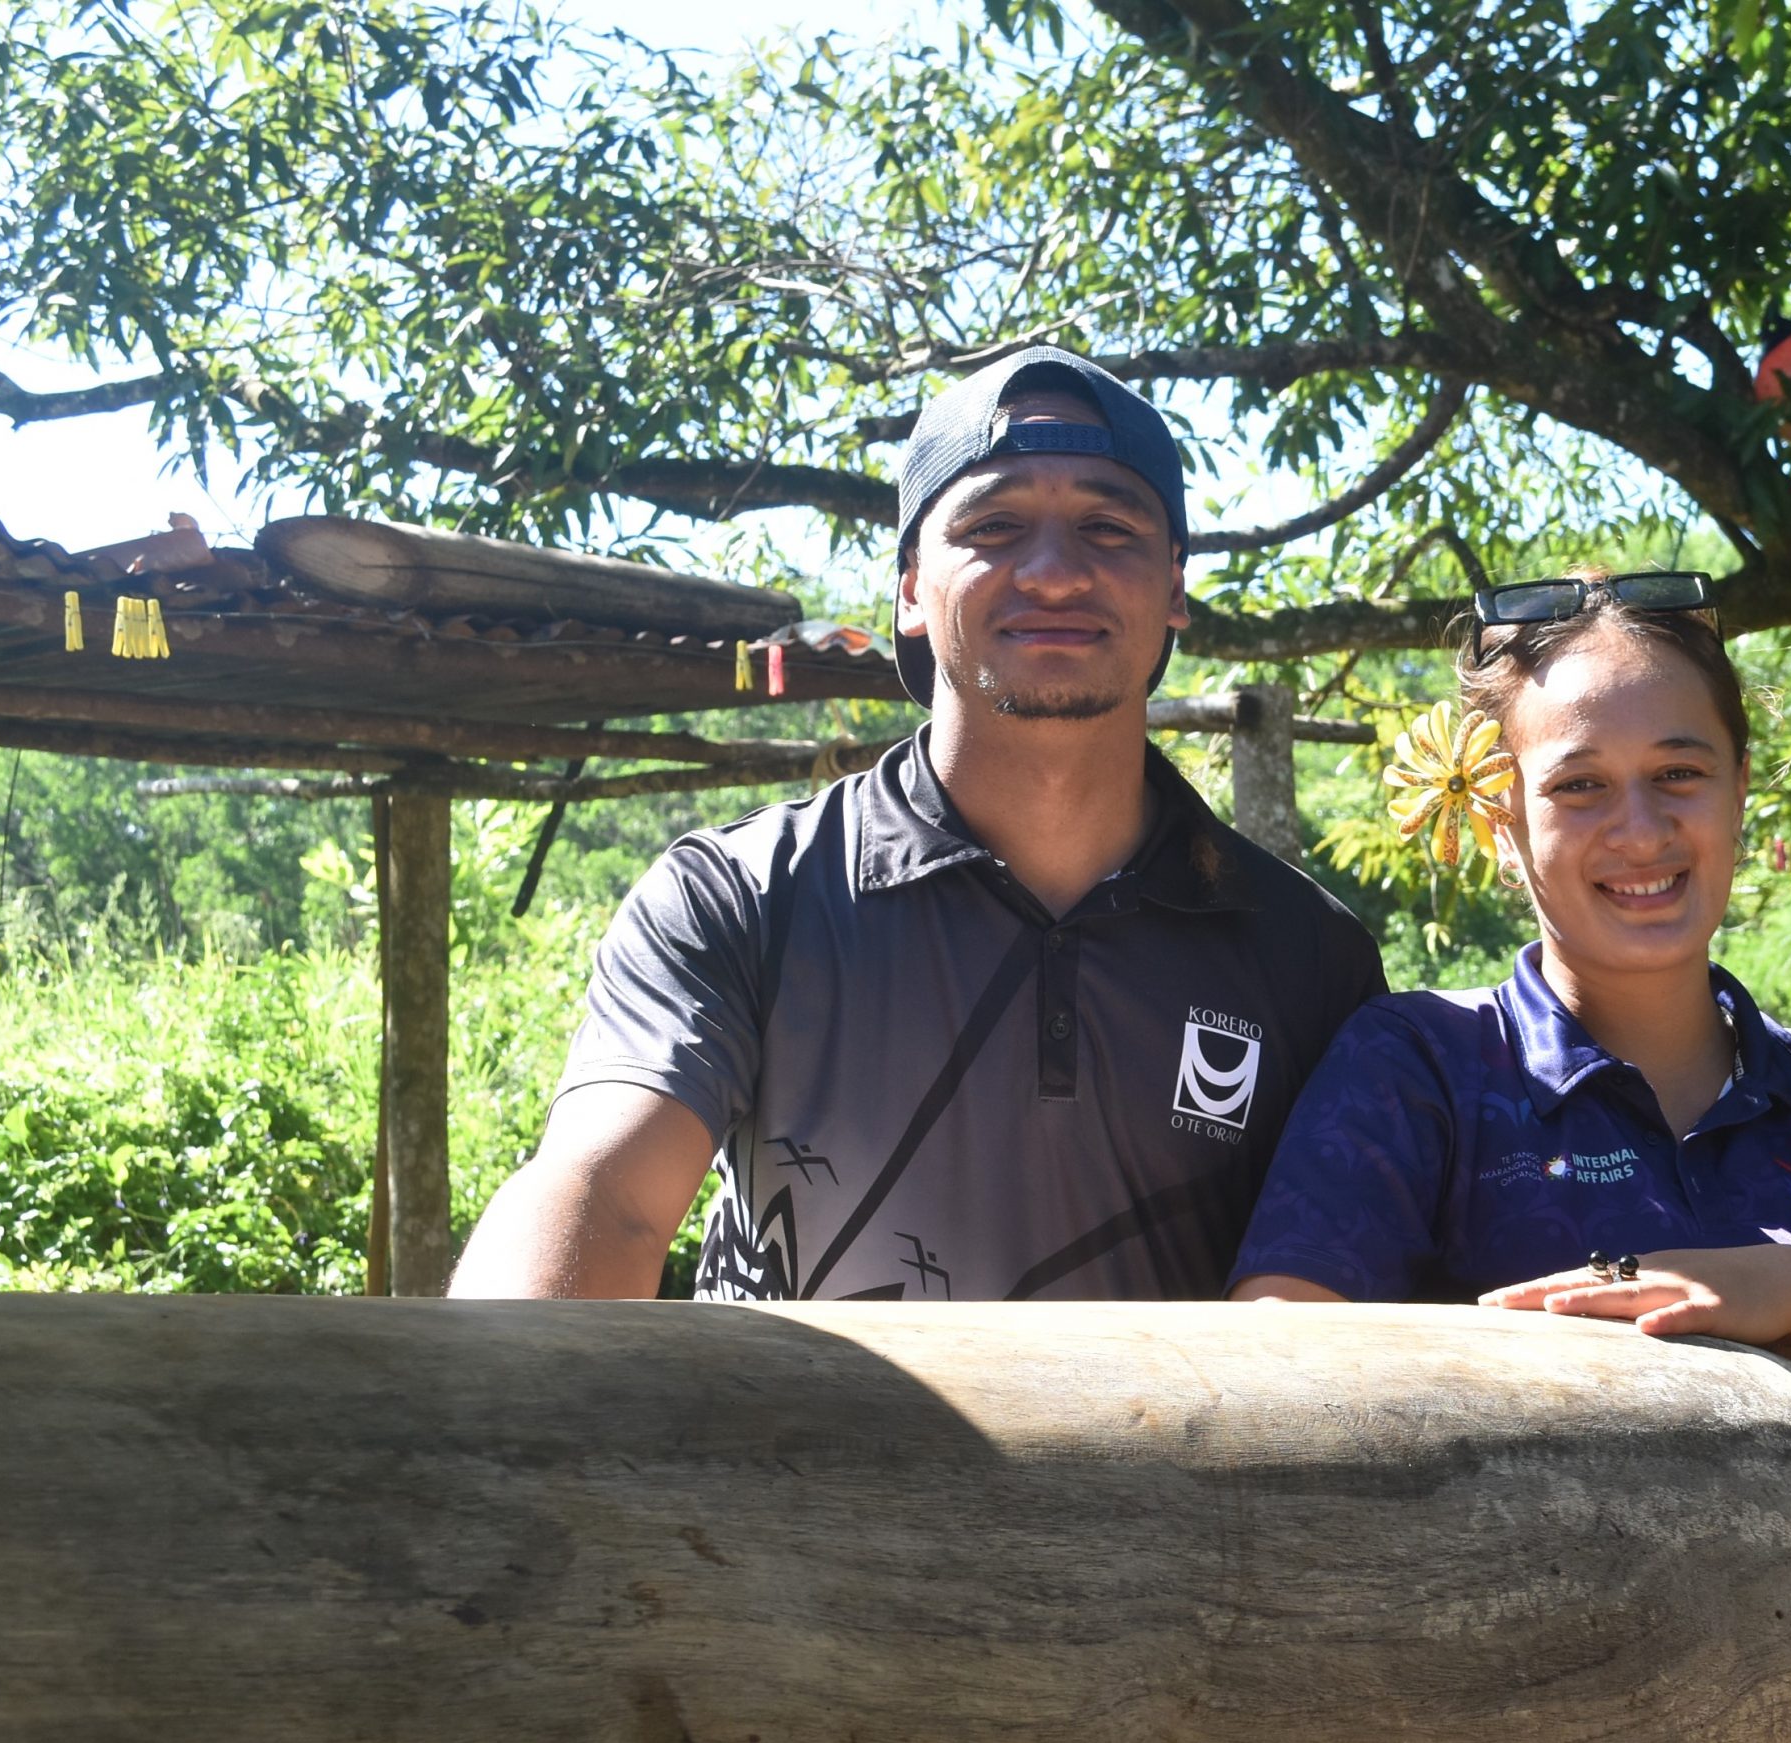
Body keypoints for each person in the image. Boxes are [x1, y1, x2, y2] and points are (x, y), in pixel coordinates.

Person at [452, 346, 1383, 1302]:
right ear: (907, 589)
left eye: (1109, 527)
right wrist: (489, 1402)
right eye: (995, 524)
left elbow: (1354, 1291)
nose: (1057, 573)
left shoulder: (1311, 959)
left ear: (1177, 586)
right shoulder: (740, 899)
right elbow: (608, 1196)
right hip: (797, 1458)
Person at [1228, 569, 1791, 1472]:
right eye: (1580, 785)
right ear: (1502, 822)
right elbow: (1275, 1380)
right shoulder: (1415, 1071)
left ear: (1739, 788)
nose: (1640, 829)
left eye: (1679, 772)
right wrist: (1710, 1373)